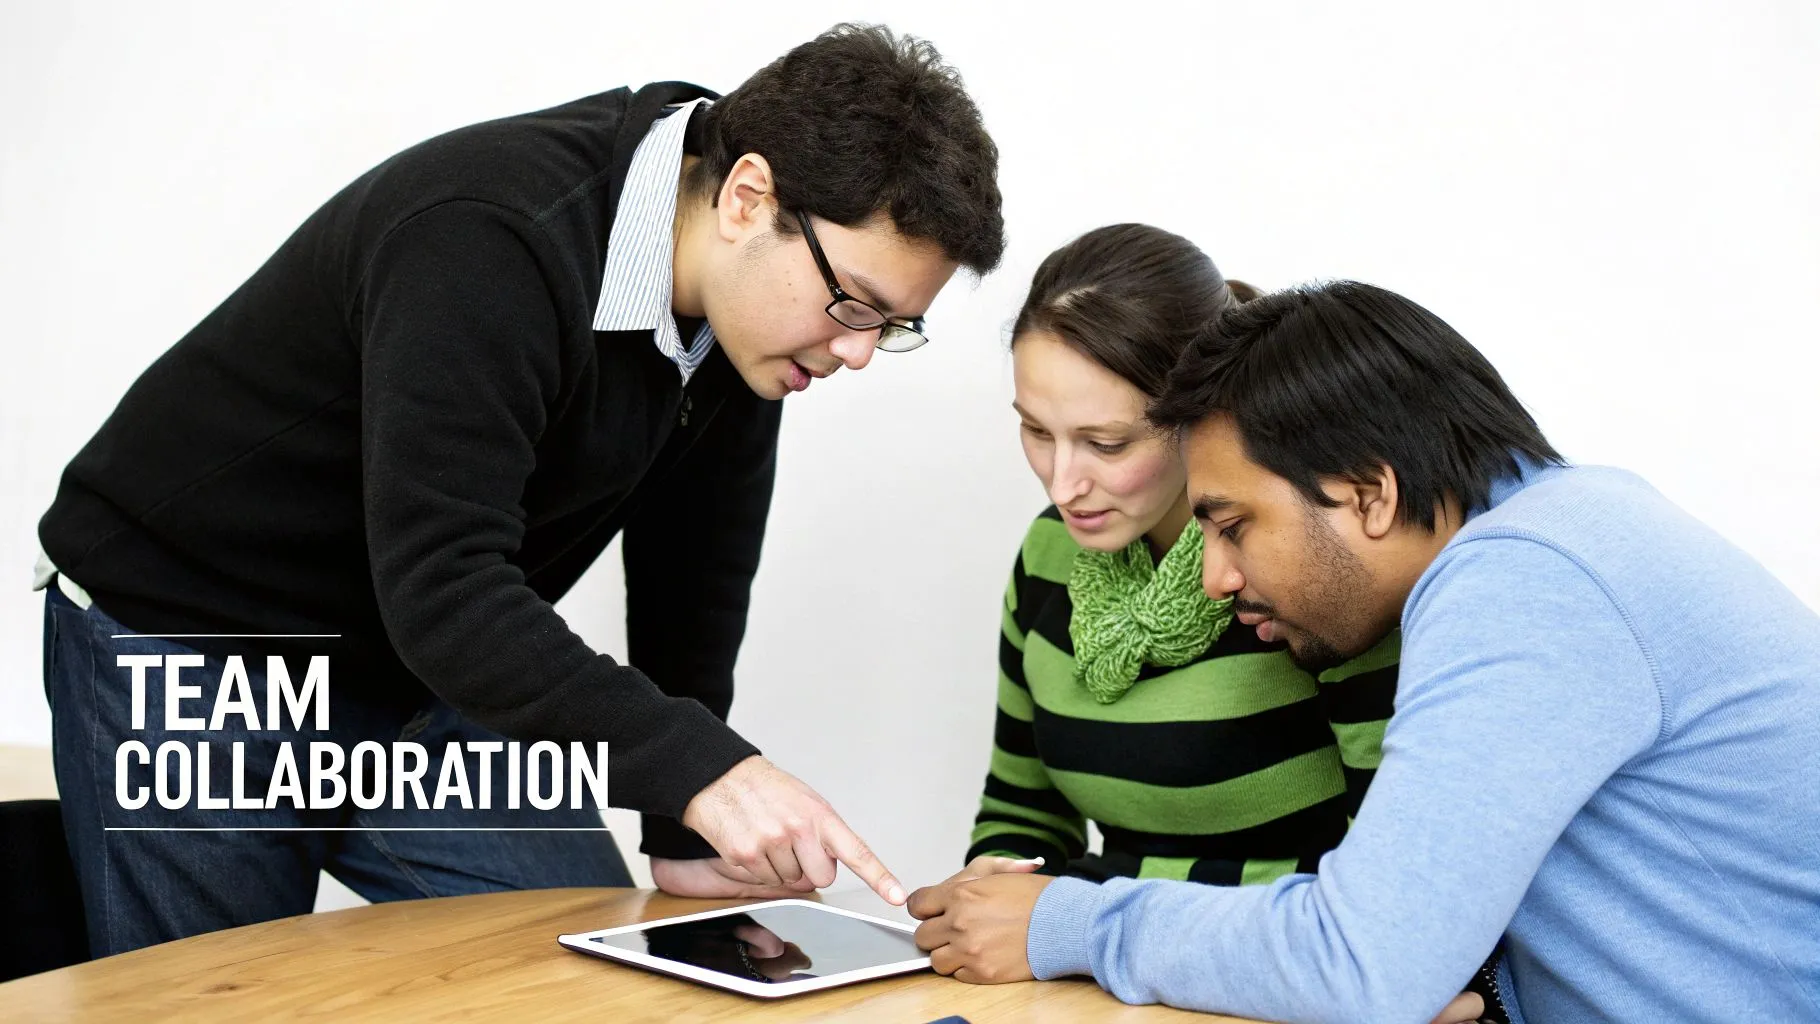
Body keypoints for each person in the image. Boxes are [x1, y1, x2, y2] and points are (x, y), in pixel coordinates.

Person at [36, 23, 1004, 956]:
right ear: (747, 196)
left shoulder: (749, 324)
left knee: (586, 967)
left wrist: (676, 817)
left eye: (891, 326)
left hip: (415, 659)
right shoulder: (488, 236)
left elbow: (692, 580)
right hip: (192, 639)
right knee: (209, 999)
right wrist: (700, 767)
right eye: (853, 305)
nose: (857, 351)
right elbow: (448, 587)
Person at [909, 281, 1820, 1023]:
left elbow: (1364, 962)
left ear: (1369, 493)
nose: (1216, 577)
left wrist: (1073, 918)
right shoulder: (1562, 536)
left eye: (1233, 527)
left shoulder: (1526, 581)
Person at [930, 228, 1491, 1024]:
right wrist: (989, 896)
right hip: (1105, 986)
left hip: (1272, 989)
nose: (1063, 482)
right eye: (1035, 430)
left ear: (1199, 420)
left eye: (1107, 442)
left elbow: (1388, 894)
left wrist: (1076, 919)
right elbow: (1024, 811)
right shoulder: (1048, 558)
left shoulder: (1313, 573)